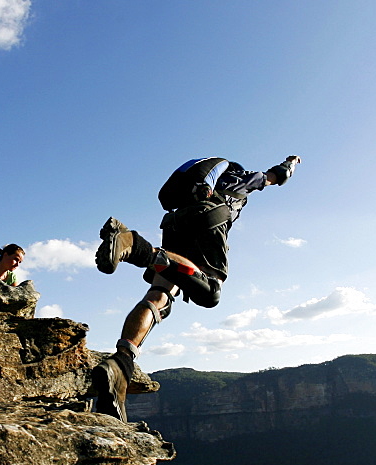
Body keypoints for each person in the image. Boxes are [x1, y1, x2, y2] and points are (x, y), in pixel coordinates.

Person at [91, 155, 301, 422]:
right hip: (208, 219)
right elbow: (276, 176)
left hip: (175, 225)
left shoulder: (191, 184)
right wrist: (291, 163)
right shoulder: (239, 178)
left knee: (161, 295)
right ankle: (137, 246)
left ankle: (121, 362)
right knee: (210, 290)